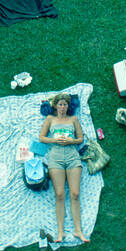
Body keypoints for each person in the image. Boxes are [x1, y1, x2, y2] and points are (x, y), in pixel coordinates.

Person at [38, 94, 89, 242]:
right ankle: (60, 232)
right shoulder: (50, 119)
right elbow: (41, 137)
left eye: (65, 105)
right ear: (55, 106)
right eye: (60, 105)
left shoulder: (73, 119)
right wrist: (55, 140)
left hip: (73, 157)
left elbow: (80, 139)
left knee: (75, 194)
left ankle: (78, 230)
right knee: (59, 194)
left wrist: (70, 141)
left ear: (68, 106)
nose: (62, 107)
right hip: (56, 158)